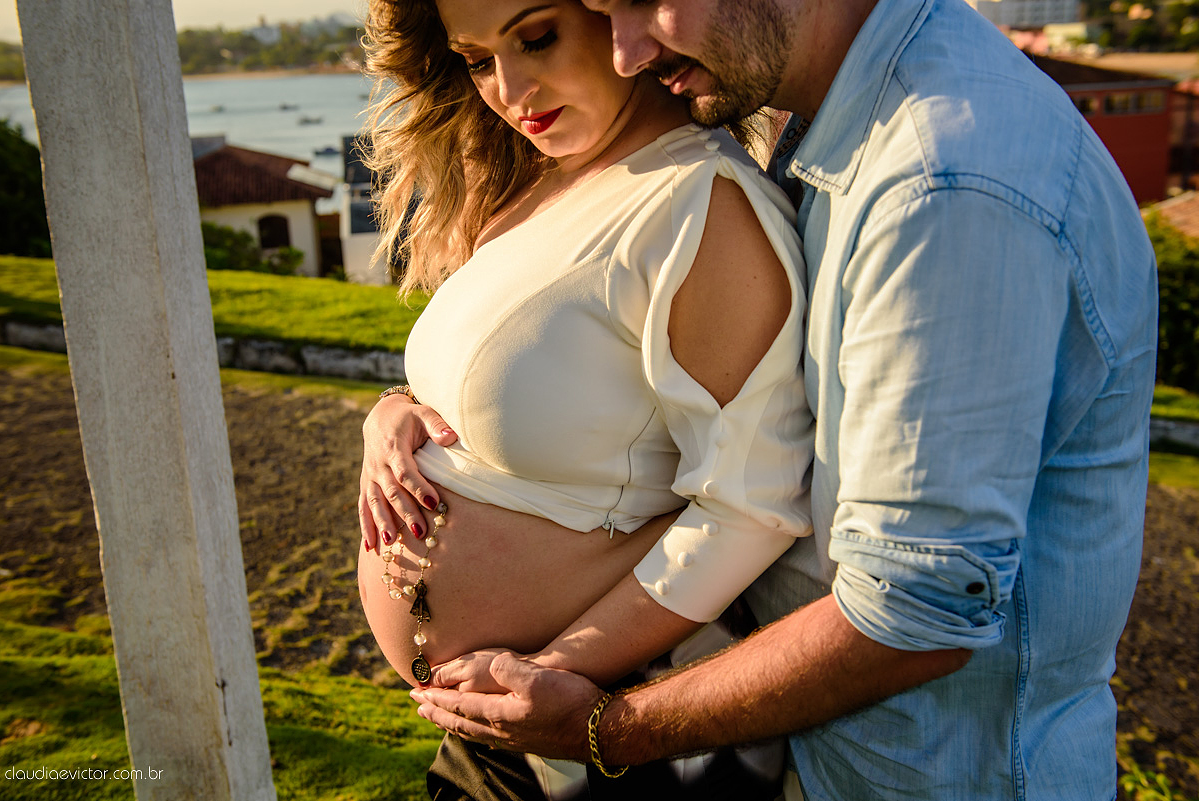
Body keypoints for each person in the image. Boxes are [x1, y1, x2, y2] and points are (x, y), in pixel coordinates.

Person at [398, 0, 1160, 799]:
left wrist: (601, 727)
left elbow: (915, 615)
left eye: (640, 0)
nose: (624, 54)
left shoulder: (944, 187)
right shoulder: (831, 116)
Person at [354, 0, 816, 797]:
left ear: (617, 14)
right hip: (505, 732)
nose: (508, 87)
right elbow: (504, 385)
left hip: (606, 736)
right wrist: (389, 418)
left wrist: (555, 676)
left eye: (537, 38)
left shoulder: (701, 204)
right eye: (477, 59)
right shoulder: (543, 190)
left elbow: (753, 504)